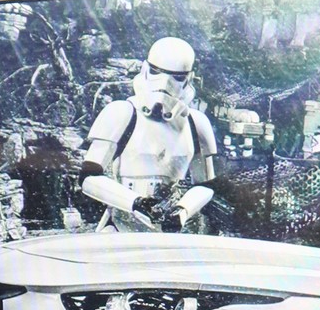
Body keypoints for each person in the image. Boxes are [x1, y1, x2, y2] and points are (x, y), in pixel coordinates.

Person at [80, 37, 217, 233]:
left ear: (189, 78)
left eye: (177, 77)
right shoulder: (122, 113)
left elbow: (207, 185)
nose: (165, 83)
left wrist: (182, 211)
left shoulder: (196, 123)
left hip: (171, 231)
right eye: (156, 72)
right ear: (145, 69)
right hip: (122, 227)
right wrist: (136, 203)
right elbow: (88, 178)